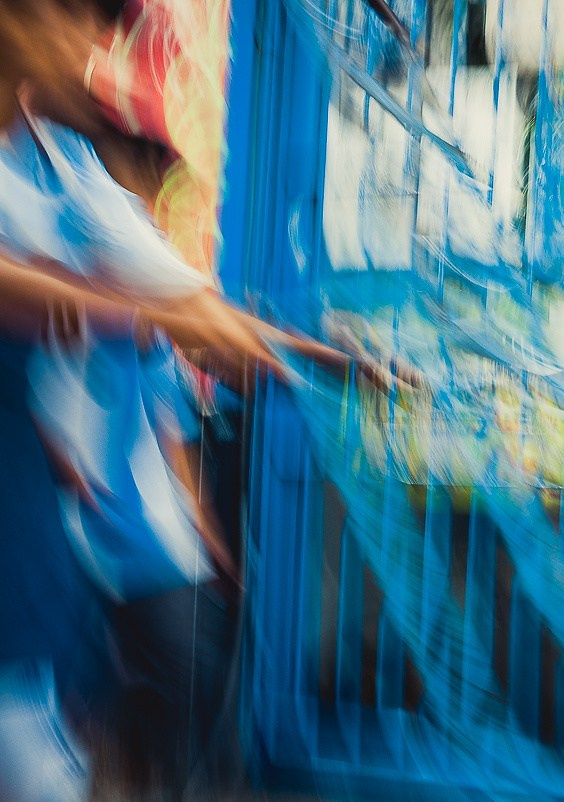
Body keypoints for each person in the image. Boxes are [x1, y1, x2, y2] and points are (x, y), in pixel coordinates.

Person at [0, 0, 402, 796]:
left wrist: (330, 360)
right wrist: (137, 314)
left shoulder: (66, 171)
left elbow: (195, 309)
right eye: (66, 18)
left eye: (94, 25)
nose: (88, 47)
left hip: (34, 551)